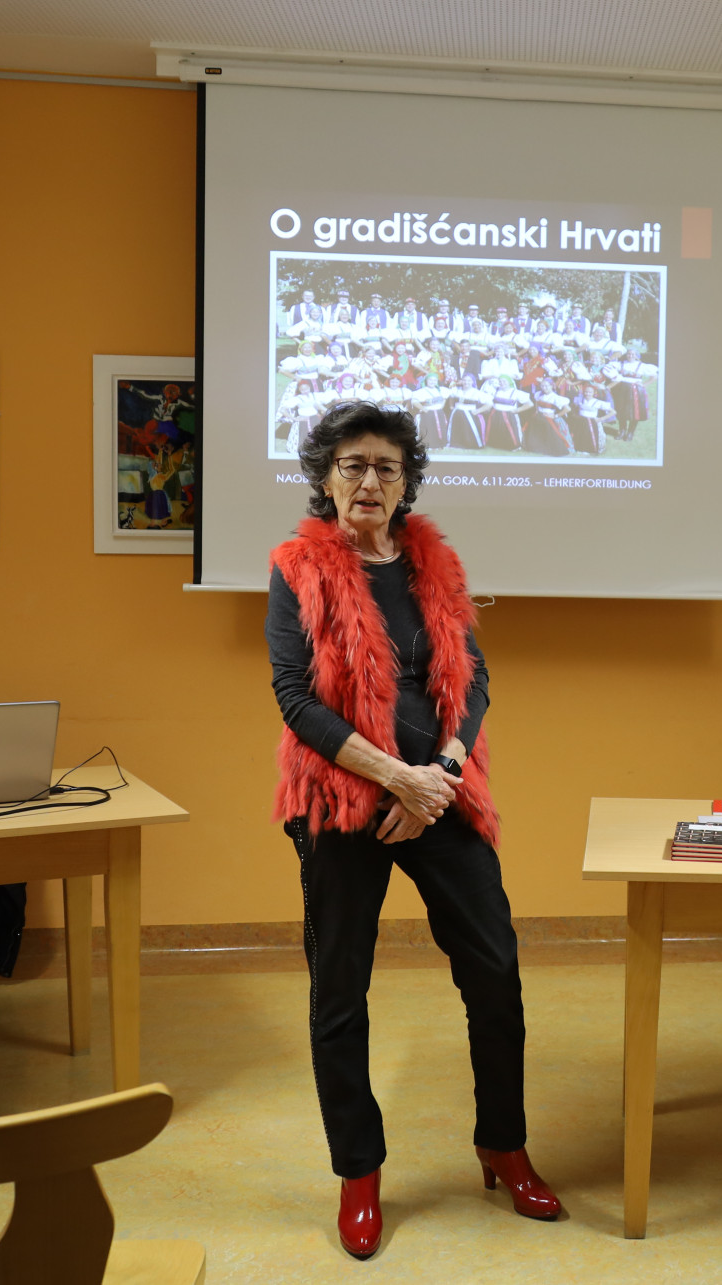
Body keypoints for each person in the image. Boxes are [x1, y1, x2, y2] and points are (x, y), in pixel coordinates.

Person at [266, 402, 562, 1259]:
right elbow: (296, 699)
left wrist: (441, 775)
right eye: (353, 464)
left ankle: (503, 1144)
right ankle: (359, 1172)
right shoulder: (296, 568)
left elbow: (474, 679)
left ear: (406, 483)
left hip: (440, 795)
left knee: (495, 970)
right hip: (342, 800)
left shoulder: (436, 563)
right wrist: (394, 776)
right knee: (339, 992)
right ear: (326, 477)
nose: (369, 480)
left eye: (386, 468)